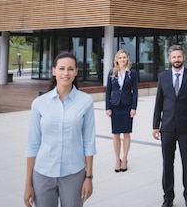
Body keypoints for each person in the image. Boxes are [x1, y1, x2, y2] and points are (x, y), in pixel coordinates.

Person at [24, 52, 96, 207]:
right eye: (61, 68)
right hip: (42, 172)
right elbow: (32, 145)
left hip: (74, 173)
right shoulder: (39, 103)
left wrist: (88, 177)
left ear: (76, 72)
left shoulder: (86, 101)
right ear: (53, 71)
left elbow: (89, 141)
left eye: (70, 69)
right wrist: (28, 184)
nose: (66, 73)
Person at [152, 44, 187, 207]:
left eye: (179, 56)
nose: (177, 59)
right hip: (166, 127)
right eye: (174, 57)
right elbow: (158, 102)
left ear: (184, 57)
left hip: (186, 128)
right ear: (169, 59)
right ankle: (168, 198)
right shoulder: (163, 77)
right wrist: (155, 125)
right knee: (167, 164)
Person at [105, 49, 138, 172]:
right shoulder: (111, 73)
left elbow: (135, 92)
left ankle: (124, 159)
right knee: (116, 134)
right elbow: (108, 91)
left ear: (127, 59)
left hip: (127, 106)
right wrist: (107, 107)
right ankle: (116, 159)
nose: (122, 59)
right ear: (117, 60)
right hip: (115, 106)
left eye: (124, 57)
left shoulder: (132, 73)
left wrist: (134, 107)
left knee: (126, 133)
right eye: (120, 57)